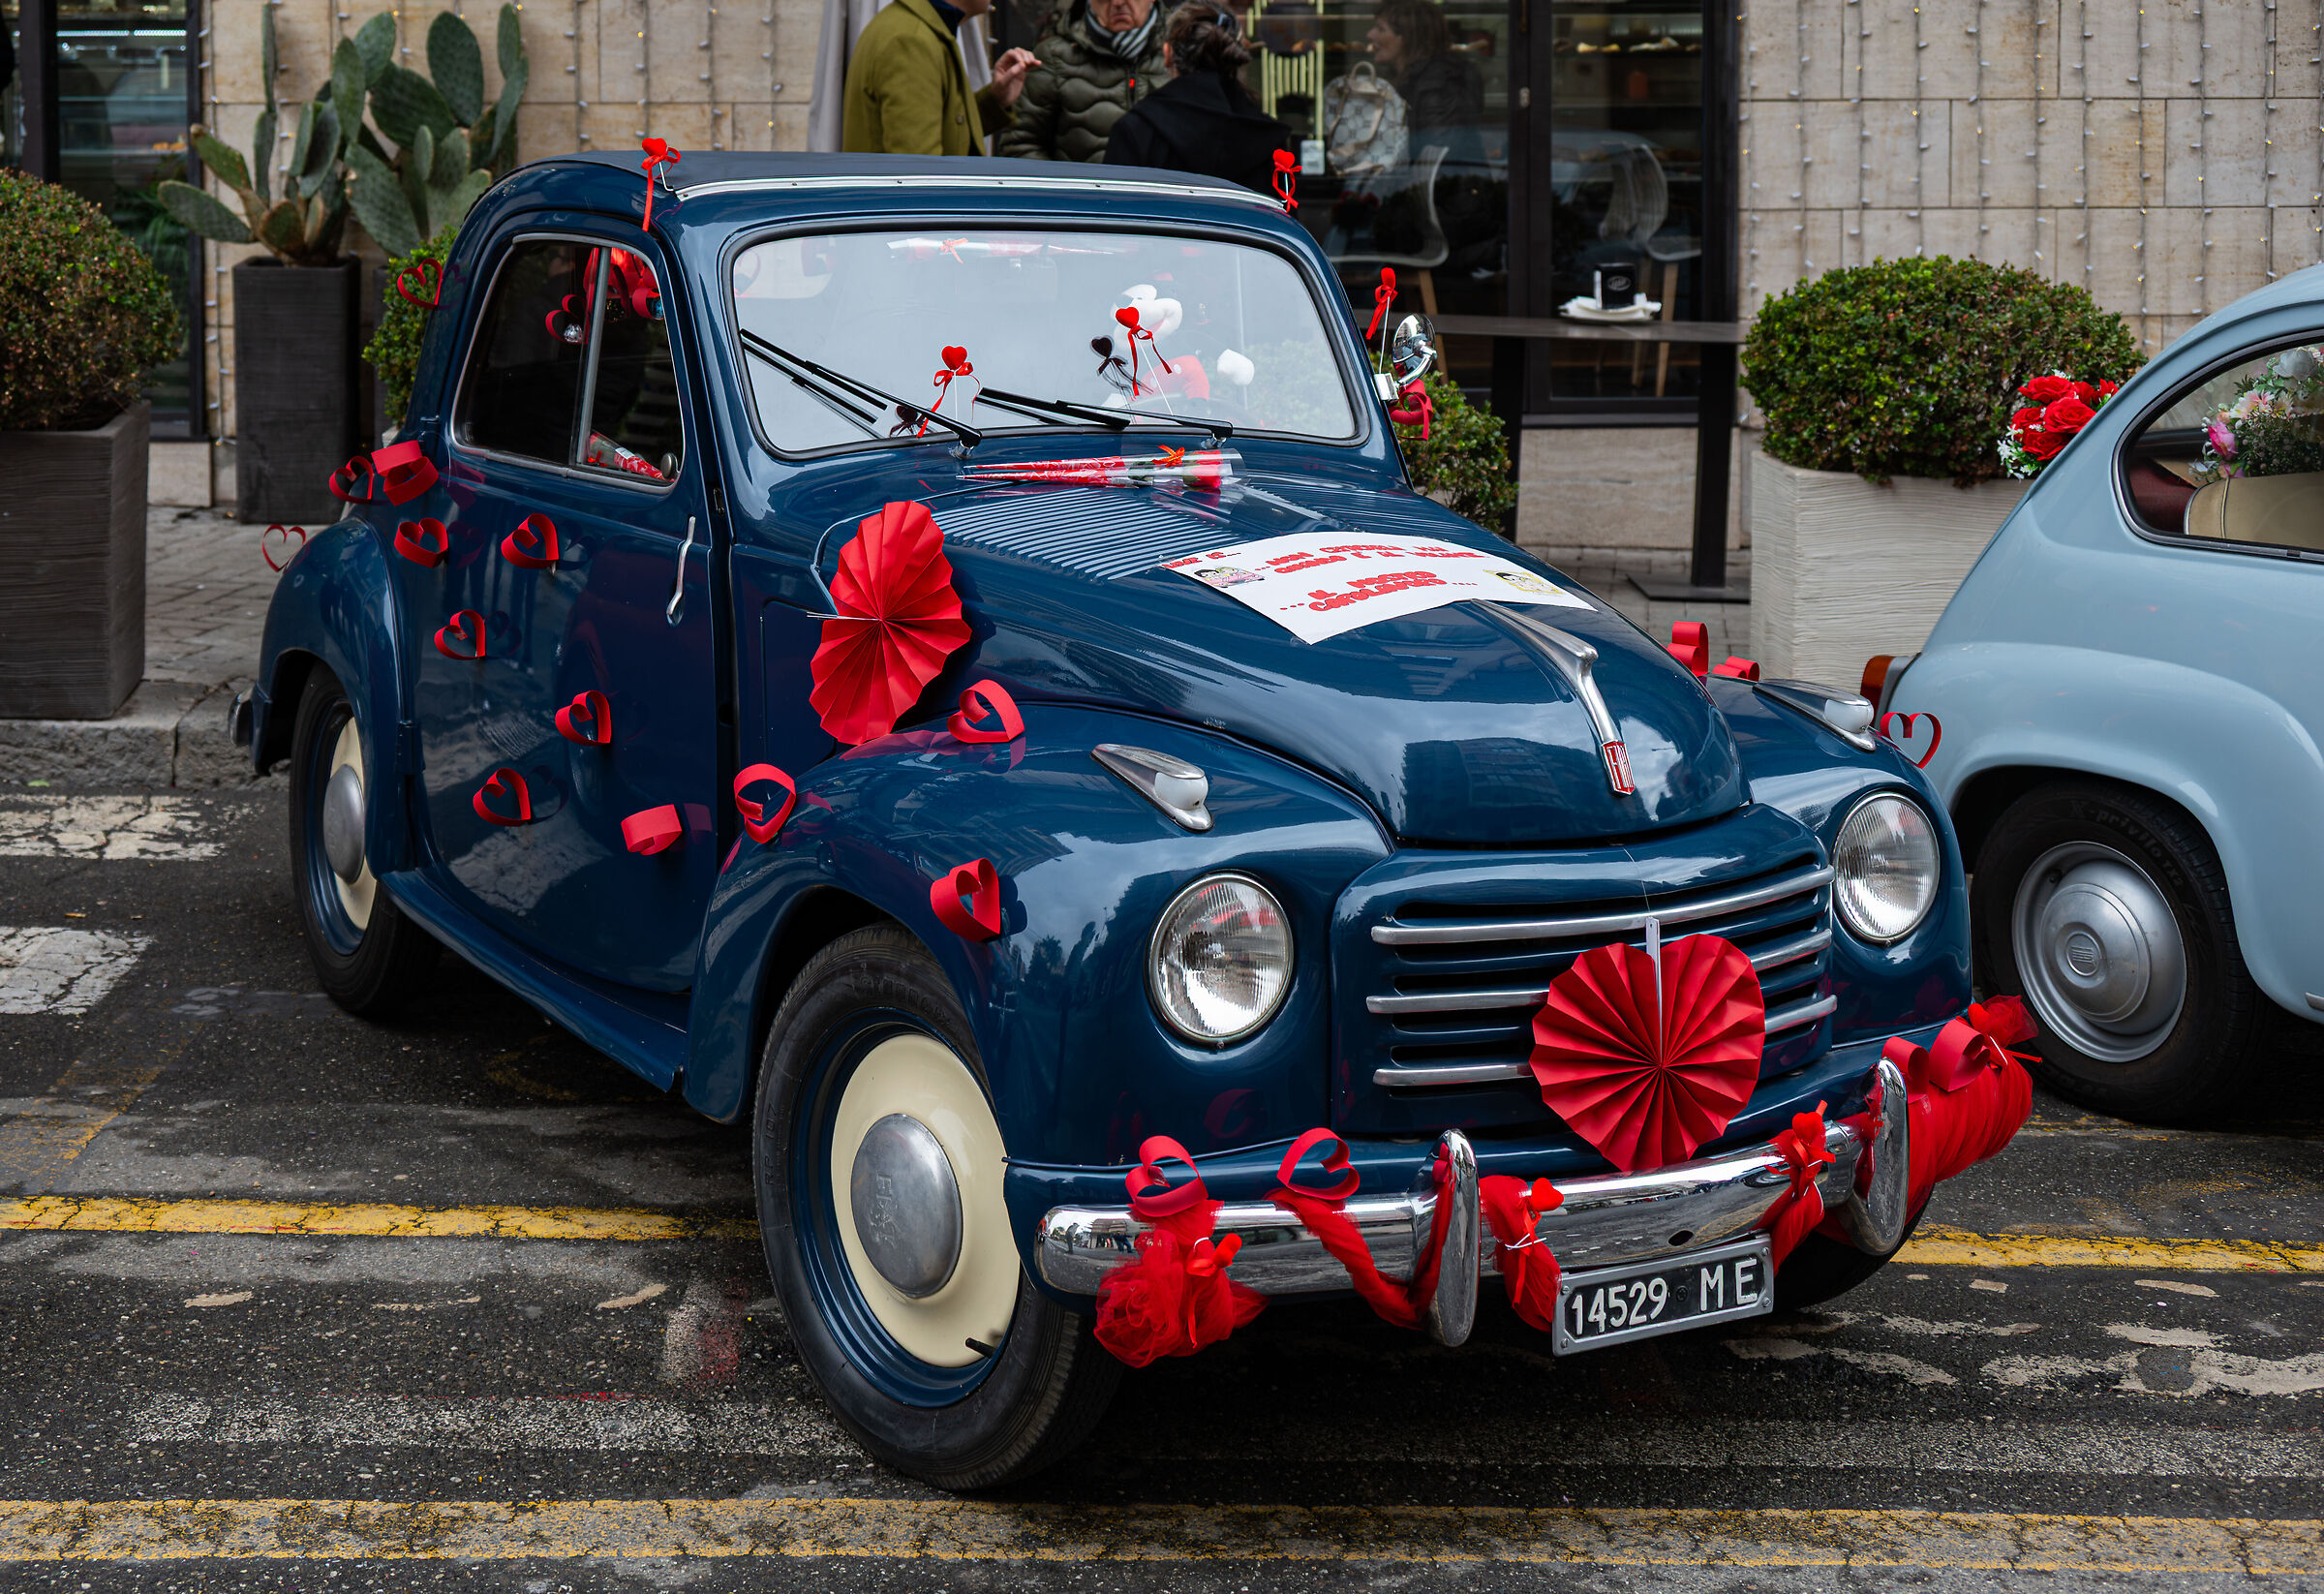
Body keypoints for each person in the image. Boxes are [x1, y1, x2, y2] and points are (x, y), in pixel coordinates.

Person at [1103, 0, 1290, 196]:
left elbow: (1113, 214)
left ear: (1168, 54)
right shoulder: (1269, 138)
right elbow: (1285, 220)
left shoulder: (1135, 130)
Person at [842, 0, 1039, 156]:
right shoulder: (912, 40)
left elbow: (948, 130)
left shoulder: (919, 29)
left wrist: (995, 99)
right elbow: (920, 174)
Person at [994, 0, 1167, 163]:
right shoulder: (1055, 57)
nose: (1117, 3)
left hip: (1163, 192)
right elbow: (1019, 144)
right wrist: (1064, 190)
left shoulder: (1177, 54)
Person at [1364, 0, 1482, 160]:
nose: (1370, 35)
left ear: (1406, 37)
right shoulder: (1413, 78)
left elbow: (1436, 157)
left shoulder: (1438, 85)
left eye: (1381, 29)